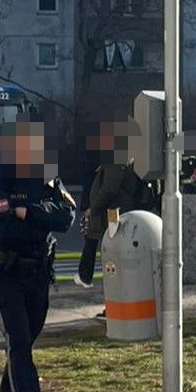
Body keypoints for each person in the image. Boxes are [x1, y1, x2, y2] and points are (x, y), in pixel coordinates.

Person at [0, 121, 75, 392]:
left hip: (39, 275)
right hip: (9, 277)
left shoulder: (45, 179)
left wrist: (27, 212)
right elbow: (5, 230)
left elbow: (65, 217)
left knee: (25, 343)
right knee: (18, 344)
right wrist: (35, 217)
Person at [76, 118, 158, 289]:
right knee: (109, 251)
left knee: (113, 254)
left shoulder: (117, 156)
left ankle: (108, 290)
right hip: (117, 211)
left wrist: (94, 208)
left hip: (113, 213)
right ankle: (92, 280)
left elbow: (109, 188)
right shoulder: (128, 154)